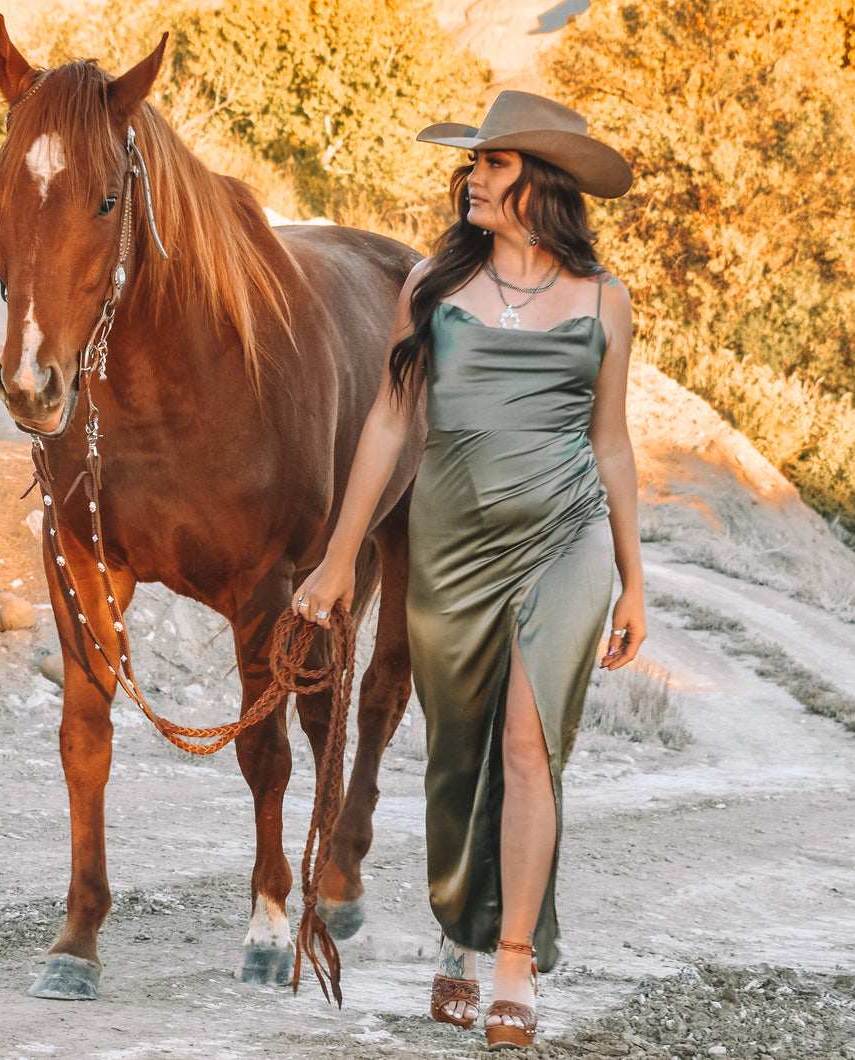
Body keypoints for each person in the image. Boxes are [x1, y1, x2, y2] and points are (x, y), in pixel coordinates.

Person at [292, 90, 646, 1050]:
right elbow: (390, 422)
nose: (471, 177)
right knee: (458, 756)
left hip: (566, 536)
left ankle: (515, 961)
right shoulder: (433, 290)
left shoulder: (606, 300)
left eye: (492, 164)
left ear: (543, 182)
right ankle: (460, 931)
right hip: (451, 542)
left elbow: (612, 446)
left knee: (531, 751)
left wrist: (633, 579)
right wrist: (336, 558)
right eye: (473, 163)